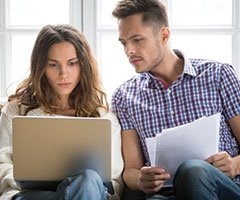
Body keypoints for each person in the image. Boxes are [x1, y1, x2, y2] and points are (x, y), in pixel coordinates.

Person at [111, 0, 240, 200]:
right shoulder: (125, 96)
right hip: (166, 194)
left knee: (194, 170)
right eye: (123, 43)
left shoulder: (218, 75)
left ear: (164, 36)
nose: (129, 50)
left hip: (221, 188)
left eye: (137, 40)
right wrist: (140, 180)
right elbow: (131, 170)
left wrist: (235, 164)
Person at [0, 24, 123, 200]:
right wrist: (21, 181)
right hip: (32, 195)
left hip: (89, 193)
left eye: (72, 63)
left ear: (83, 66)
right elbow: (2, 164)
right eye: (53, 65)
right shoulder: (15, 111)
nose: (63, 74)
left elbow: (113, 181)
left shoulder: (104, 118)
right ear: (41, 68)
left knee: (88, 180)